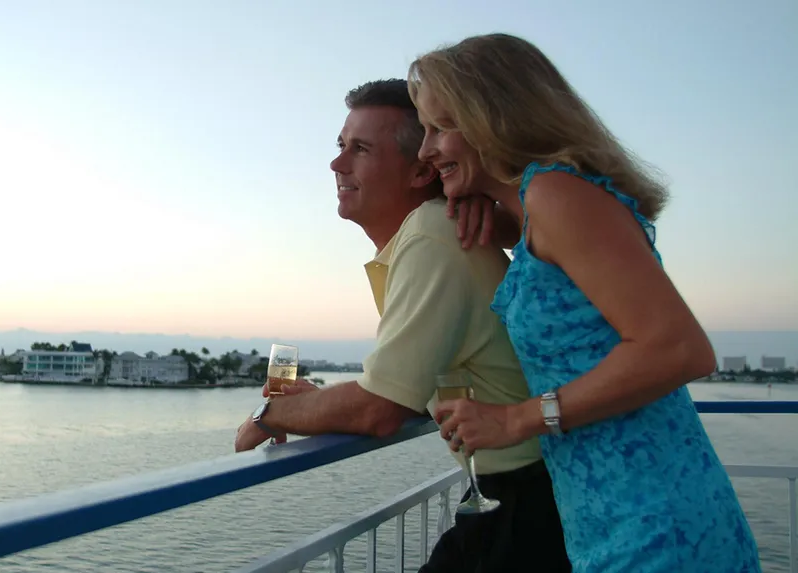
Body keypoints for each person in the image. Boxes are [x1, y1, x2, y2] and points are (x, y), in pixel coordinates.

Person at [408, 33, 761, 572]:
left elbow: (680, 349)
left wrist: (518, 420)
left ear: (493, 117)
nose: (425, 150)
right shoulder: (536, 209)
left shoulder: (556, 194)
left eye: (441, 127)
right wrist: (483, 202)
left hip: (655, 523)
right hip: (605, 519)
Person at [234, 78, 570, 572]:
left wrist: (270, 416)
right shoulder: (425, 236)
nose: (336, 164)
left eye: (361, 149)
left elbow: (379, 409)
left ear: (420, 171)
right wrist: (313, 403)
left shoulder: (431, 238)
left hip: (525, 500)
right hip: (522, 489)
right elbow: (391, 387)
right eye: (340, 146)